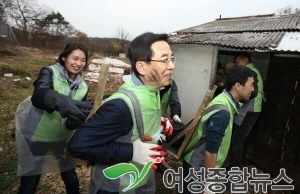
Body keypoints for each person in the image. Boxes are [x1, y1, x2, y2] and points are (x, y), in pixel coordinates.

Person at [67, 32, 175, 194]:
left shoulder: (153, 90)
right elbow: (78, 146)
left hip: (141, 179)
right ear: (141, 67)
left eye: (172, 59)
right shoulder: (120, 105)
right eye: (165, 59)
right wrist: (130, 151)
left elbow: (134, 121)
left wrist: (157, 123)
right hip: (116, 186)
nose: (172, 65)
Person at [15, 43, 91, 194]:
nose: (78, 63)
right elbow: (39, 95)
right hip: (37, 137)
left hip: (62, 141)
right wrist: (59, 100)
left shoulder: (84, 87)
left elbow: (76, 113)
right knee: (30, 183)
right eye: (74, 58)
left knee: (71, 178)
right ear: (64, 57)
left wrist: (74, 122)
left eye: (83, 60)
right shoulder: (49, 72)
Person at [183, 65, 256, 194]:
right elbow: (211, 151)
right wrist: (209, 181)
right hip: (198, 167)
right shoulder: (223, 112)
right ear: (238, 86)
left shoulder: (225, 100)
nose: (253, 89)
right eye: (251, 84)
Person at [228, 52, 264, 168]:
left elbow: (252, 93)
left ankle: (233, 169)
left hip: (249, 110)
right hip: (252, 109)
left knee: (237, 140)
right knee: (242, 138)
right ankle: (241, 162)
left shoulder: (249, 72)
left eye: (238, 62)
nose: (237, 65)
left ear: (245, 59)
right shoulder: (252, 70)